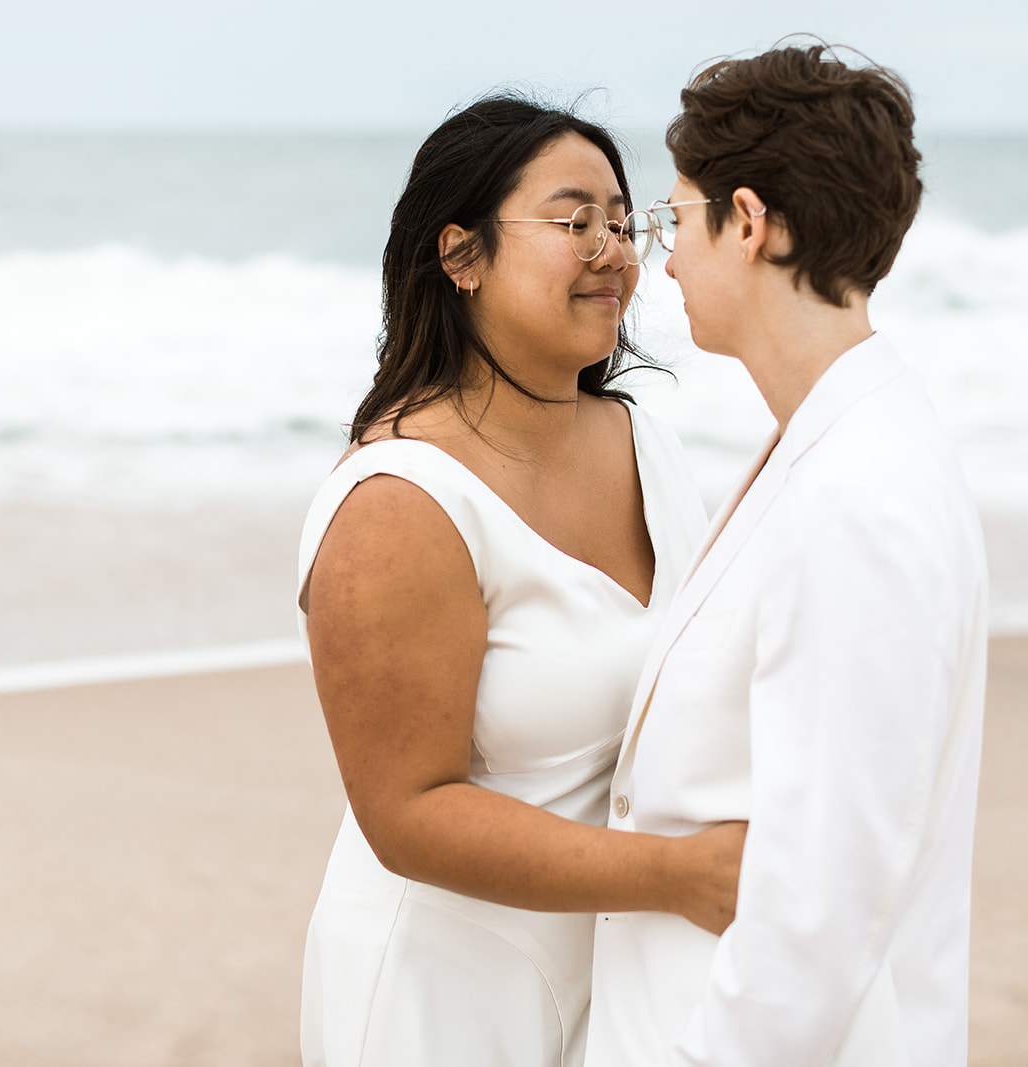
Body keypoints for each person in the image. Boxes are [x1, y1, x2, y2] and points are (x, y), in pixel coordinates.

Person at [294, 95, 746, 1067]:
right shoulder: (398, 502)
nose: (614, 252)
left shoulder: (647, 442)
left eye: (622, 222)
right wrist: (677, 875)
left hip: (617, 981)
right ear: (461, 256)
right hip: (443, 1000)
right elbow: (405, 813)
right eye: (574, 220)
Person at [585, 44, 989, 1067]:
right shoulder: (832, 444)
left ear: (749, 221)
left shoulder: (859, 494)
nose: (663, 261)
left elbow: (821, 902)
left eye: (676, 220)